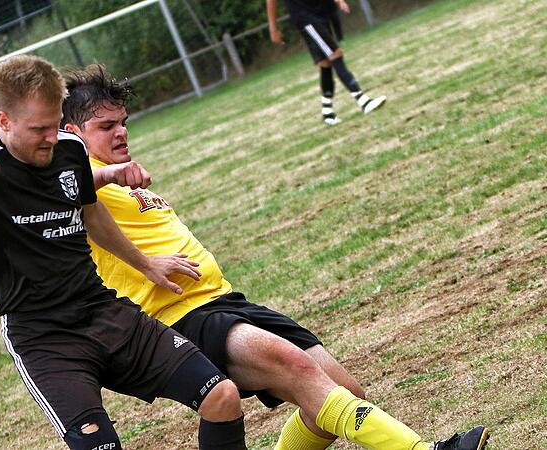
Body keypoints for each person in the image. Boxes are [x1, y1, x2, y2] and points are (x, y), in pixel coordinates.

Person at [60, 65, 490, 450]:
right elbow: (60, 181)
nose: (121, 132)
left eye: (123, 122)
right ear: (72, 134)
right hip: (180, 316)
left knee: (344, 395)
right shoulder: (75, 185)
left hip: (226, 300)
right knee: (299, 369)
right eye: (105, 126)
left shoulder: (125, 179)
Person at [0, 54, 249, 450]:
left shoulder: (68, 148)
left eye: (54, 123)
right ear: (5, 121)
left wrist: (145, 263)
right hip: (43, 336)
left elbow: (91, 213)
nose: (51, 136)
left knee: (221, 396)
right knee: (99, 446)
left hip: (102, 309)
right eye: (38, 128)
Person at [267, 0, 386, 125]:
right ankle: (364, 102)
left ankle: (327, 113)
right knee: (335, 54)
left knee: (325, 62)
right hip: (305, 18)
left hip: (319, 12)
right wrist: (273, 29)